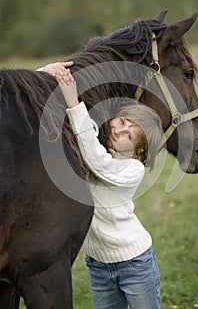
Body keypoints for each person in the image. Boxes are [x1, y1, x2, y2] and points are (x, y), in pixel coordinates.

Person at [40, 62, 163, 309]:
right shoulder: (96, 146)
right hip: (97, 264)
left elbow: (98, 161)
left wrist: (74, 104)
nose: (120, 130)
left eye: (129, 135)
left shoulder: (132, 170)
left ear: (139, 151)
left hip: (135, 263)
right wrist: (46, 74)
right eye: (124, 121)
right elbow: (83, 139)